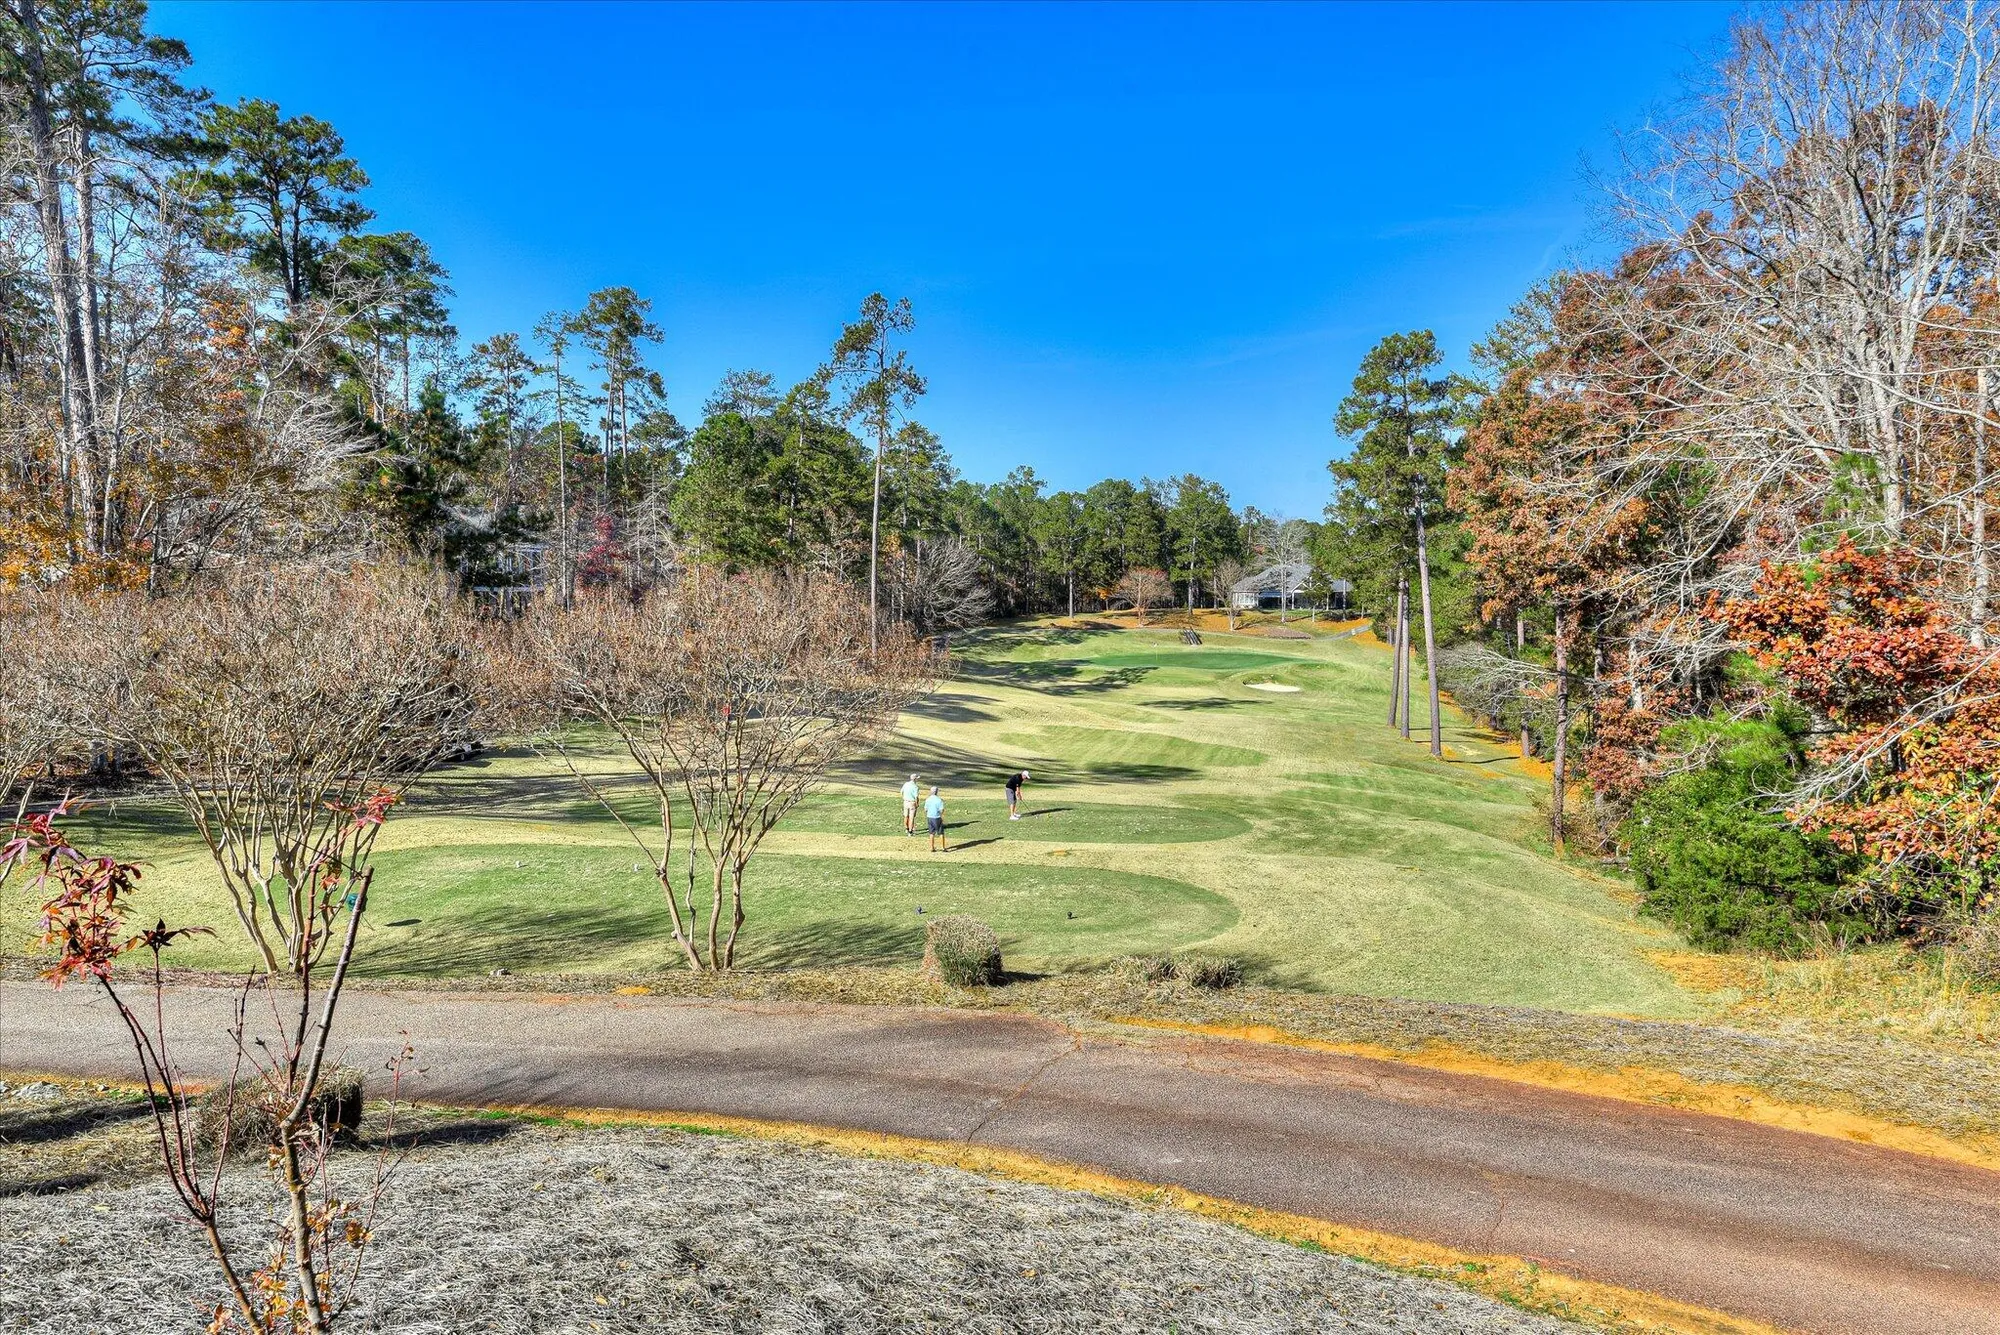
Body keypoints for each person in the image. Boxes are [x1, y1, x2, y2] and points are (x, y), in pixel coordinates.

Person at [924, 787, 948, 853]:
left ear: (930, 791)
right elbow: (942, 810)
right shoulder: (939, 800)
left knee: (931, 833)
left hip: (929, 817)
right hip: (937, 817)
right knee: (941, 833)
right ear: (937, 792)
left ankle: (932, 847)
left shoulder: (928, 799)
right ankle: (943, 848)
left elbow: (925, 809)